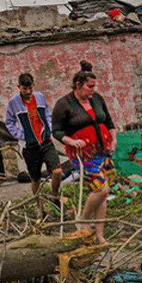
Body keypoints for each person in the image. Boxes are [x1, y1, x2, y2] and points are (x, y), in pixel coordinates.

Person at [52, 61, 117, 244]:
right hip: (83, 155)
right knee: (101, 189)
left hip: (103, 152)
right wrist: (71, 141)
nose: (93, 90)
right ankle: (82, 220)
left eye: (94, 86)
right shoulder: (64, 104)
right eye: (89, 87)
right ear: (78, 85)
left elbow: (109, 122)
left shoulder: (97, 99)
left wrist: (114, 139)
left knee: (104, 193)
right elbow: (56, 131)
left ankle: (99, 236)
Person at [5, 72, 62, 214]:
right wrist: (21, 135)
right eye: (25, 89)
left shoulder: (40, 97)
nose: (28, 91)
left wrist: (48, 127)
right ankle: (40, 208)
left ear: (33, 86)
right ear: (19, 87)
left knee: (57, 171)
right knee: (35, 179)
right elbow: (9, 122)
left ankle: (54, 197)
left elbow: (47, 113)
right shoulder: (13, 103)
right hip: (29, 147)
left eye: (30, 88)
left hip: (46, 142)